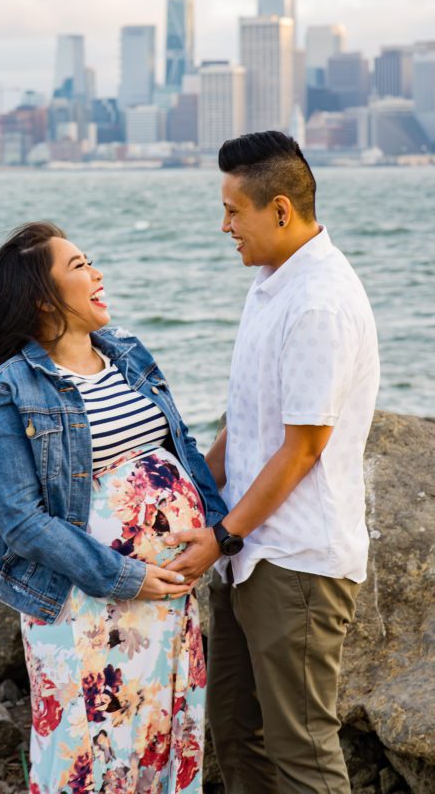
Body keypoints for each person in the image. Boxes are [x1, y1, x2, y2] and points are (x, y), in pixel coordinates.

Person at [0, 221, 227, 794]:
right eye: (79, 266)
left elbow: (181, 447)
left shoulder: (128, 354)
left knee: (163, 741)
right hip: (84, 601)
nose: (97, 274)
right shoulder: (7, 389)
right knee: (87, 757)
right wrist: (124, 575)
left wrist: (215, 531)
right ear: (42, 299)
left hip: (165, 598)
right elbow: (20, 520)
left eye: (91, 262)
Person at [162, 132, 380, 794]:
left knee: (301, 749)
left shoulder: (318, 301)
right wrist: (195, 494)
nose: (224, 225)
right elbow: (247, 420)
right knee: (235, 730)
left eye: (234, 211)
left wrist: (223, 534)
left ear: (280, 209)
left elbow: (303, 448)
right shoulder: (273, 283)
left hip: (297, 562)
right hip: (247, 553)